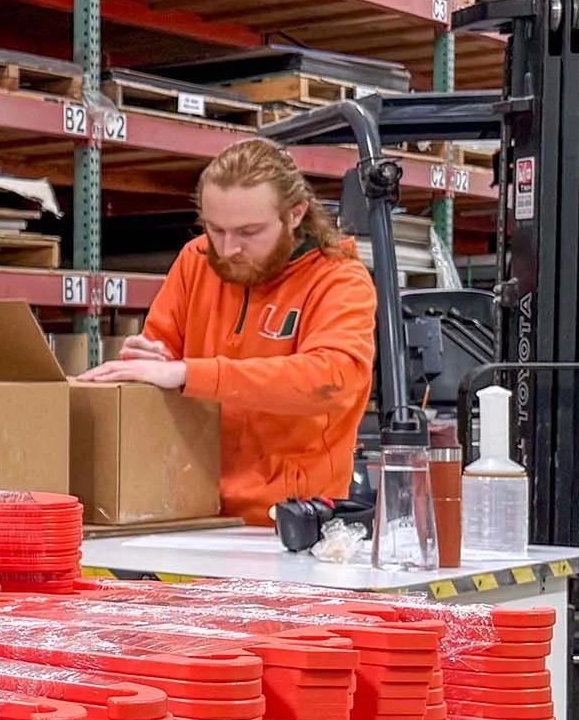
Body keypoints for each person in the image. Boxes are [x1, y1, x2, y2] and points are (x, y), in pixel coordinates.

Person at [83, 136, 377, 525]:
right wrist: (150, 365)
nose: (227, 248)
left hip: (291, 521)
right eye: (214, 229)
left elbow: (332, 380)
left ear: (295, 213)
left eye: (248, 232)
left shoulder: (339, 280)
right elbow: (157, 360)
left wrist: (190, 373)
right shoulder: (196, 260)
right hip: (190, 511)